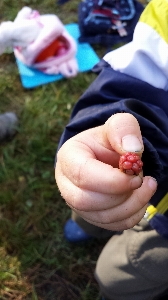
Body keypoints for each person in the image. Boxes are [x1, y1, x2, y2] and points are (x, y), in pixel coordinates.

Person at [55, 0, 168, 299]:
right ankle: (91, 220)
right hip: (156, 168)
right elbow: (133, 83)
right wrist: (99, 128)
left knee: (116, 275)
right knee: (94, 192)